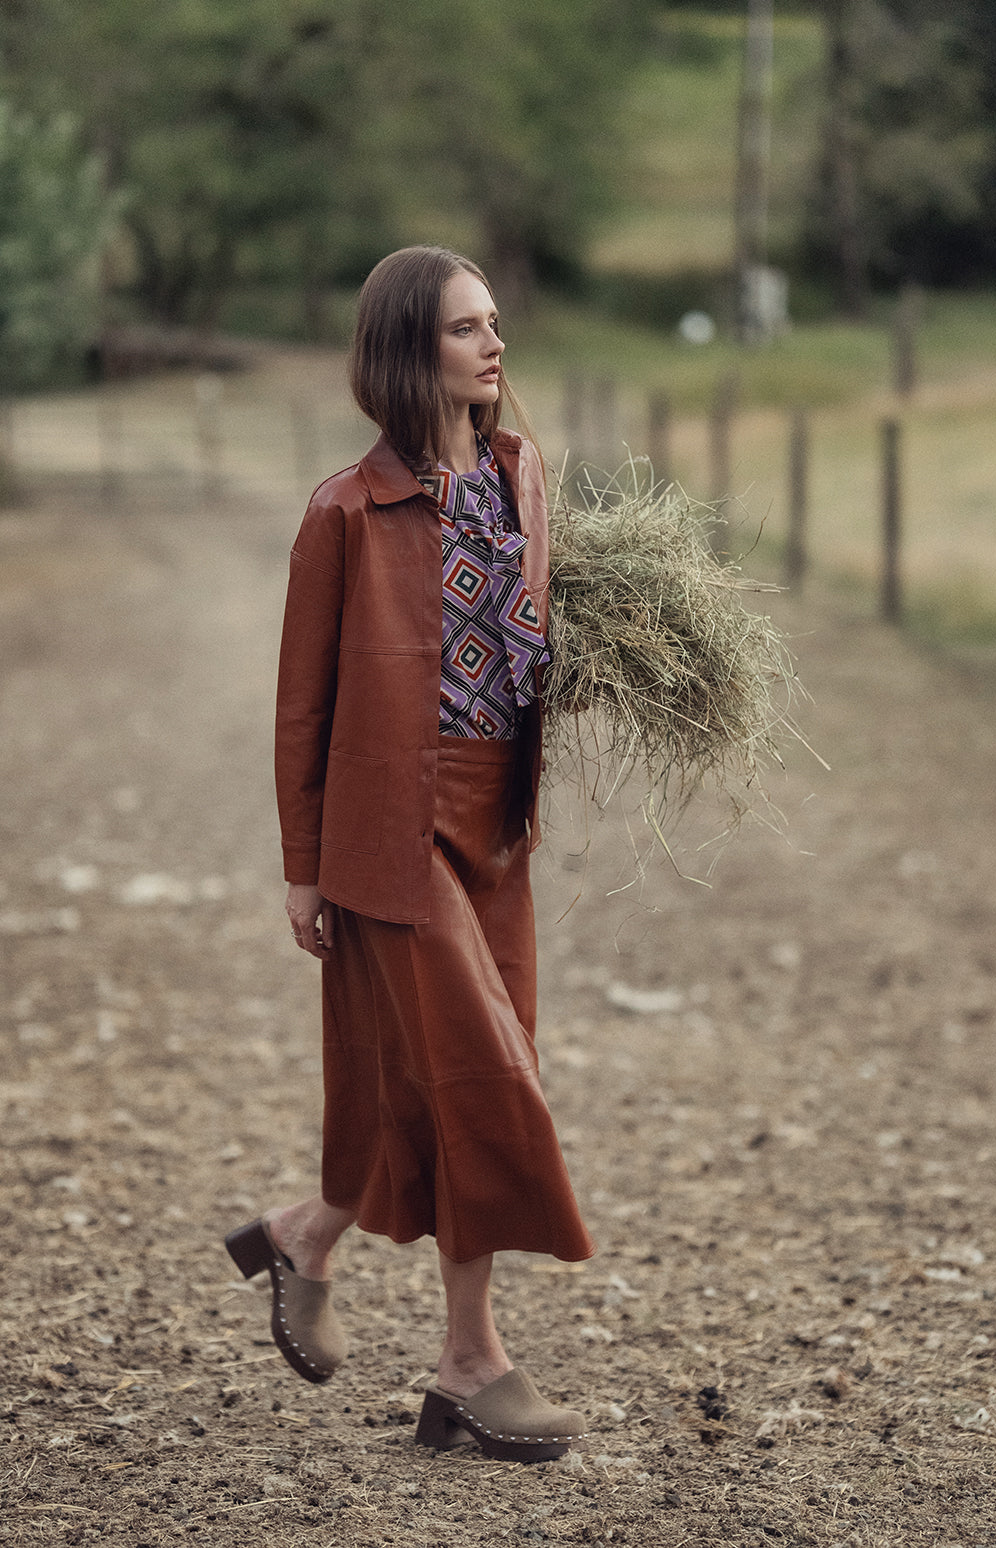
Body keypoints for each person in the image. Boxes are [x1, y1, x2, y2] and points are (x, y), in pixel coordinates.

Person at [225, 245, 595, 1463]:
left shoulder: (525, 475)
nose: (493, 346)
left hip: (498, 826)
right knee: (485, 1074)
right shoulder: (344, 508)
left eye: (495, 324)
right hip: (388, 828)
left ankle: (307, 1235)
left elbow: (534, 638)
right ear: (405, 350)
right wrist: (302, 865)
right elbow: (302, 708)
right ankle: (476, 1359)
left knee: (454, 1076)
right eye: (462, 330)